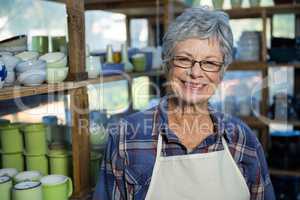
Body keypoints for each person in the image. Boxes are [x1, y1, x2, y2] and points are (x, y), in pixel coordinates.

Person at [93, 7, 275, 200]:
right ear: (167, 64)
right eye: (184, 59)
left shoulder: (242, 140)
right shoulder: (125, 138)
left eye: (210, 63)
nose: (195, 73)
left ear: (221, 73)